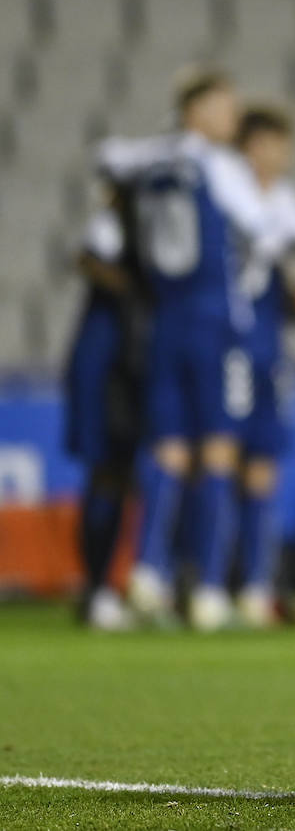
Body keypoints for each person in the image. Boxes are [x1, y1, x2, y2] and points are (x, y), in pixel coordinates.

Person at [96, 67, 275, 630]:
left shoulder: (150, 162)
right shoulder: (219, 165)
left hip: (163, 321)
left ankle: (148, 573)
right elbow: (264, 228)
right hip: (215, 324)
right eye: (225, 109)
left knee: (169, 451)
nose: (234, 119)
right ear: (197, 112)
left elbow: (108, 157)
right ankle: (209, 590)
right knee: (220, 451)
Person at [232, 104, 295, 626]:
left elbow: (293, 258)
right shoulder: (227, 196)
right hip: (226, 345)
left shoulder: (283, 199)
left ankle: (255, 587)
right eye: (273, 145)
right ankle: (206, 584)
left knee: (261, 469)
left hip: (266, 350)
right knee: (213, 466)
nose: (281, 157)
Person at [62, 189, 144, 630]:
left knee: (124, 477)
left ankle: (108, 586)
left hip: (133, 366)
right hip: (105, 367)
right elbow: (89, 257)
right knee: (106, 474)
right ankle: (96, 588)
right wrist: (138, 285)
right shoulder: (116, 228)